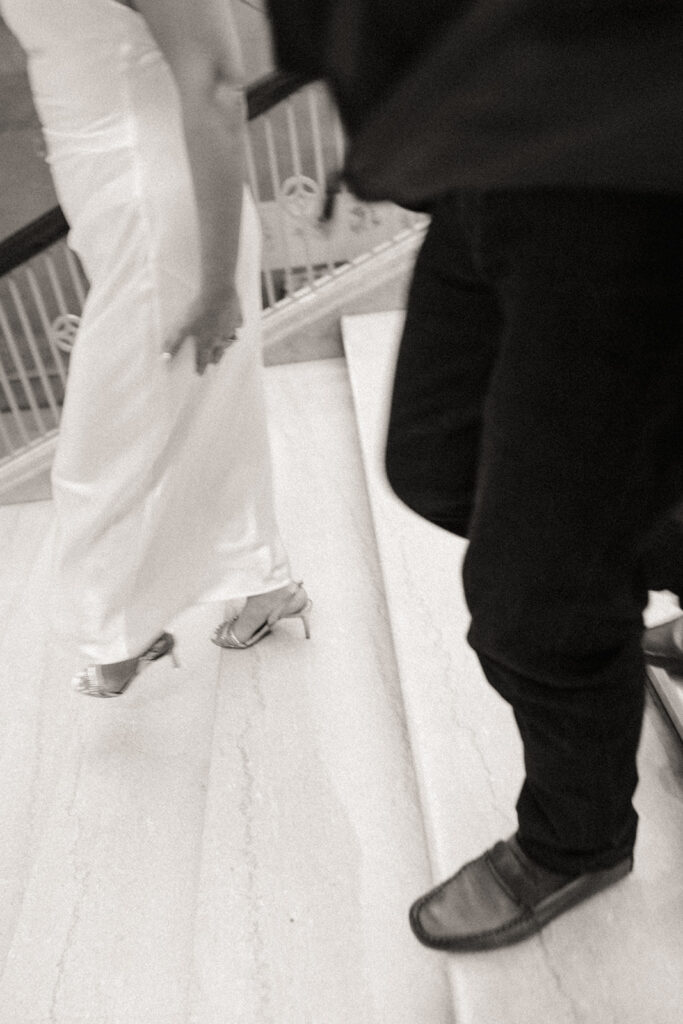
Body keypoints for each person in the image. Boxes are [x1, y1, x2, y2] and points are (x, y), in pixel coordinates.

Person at [265, 0, 682, 950]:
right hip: (492, 146)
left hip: (624, 167)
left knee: (528, 602)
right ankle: (614, 562)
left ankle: (577, 839)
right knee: (433, 458)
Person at [1, 0, 311, 698]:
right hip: (113, 196)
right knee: (212, 408)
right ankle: (265, 582)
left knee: (104, 438)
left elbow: (217, 88)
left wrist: (214, 283)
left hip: (164, 212)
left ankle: (119, 633)